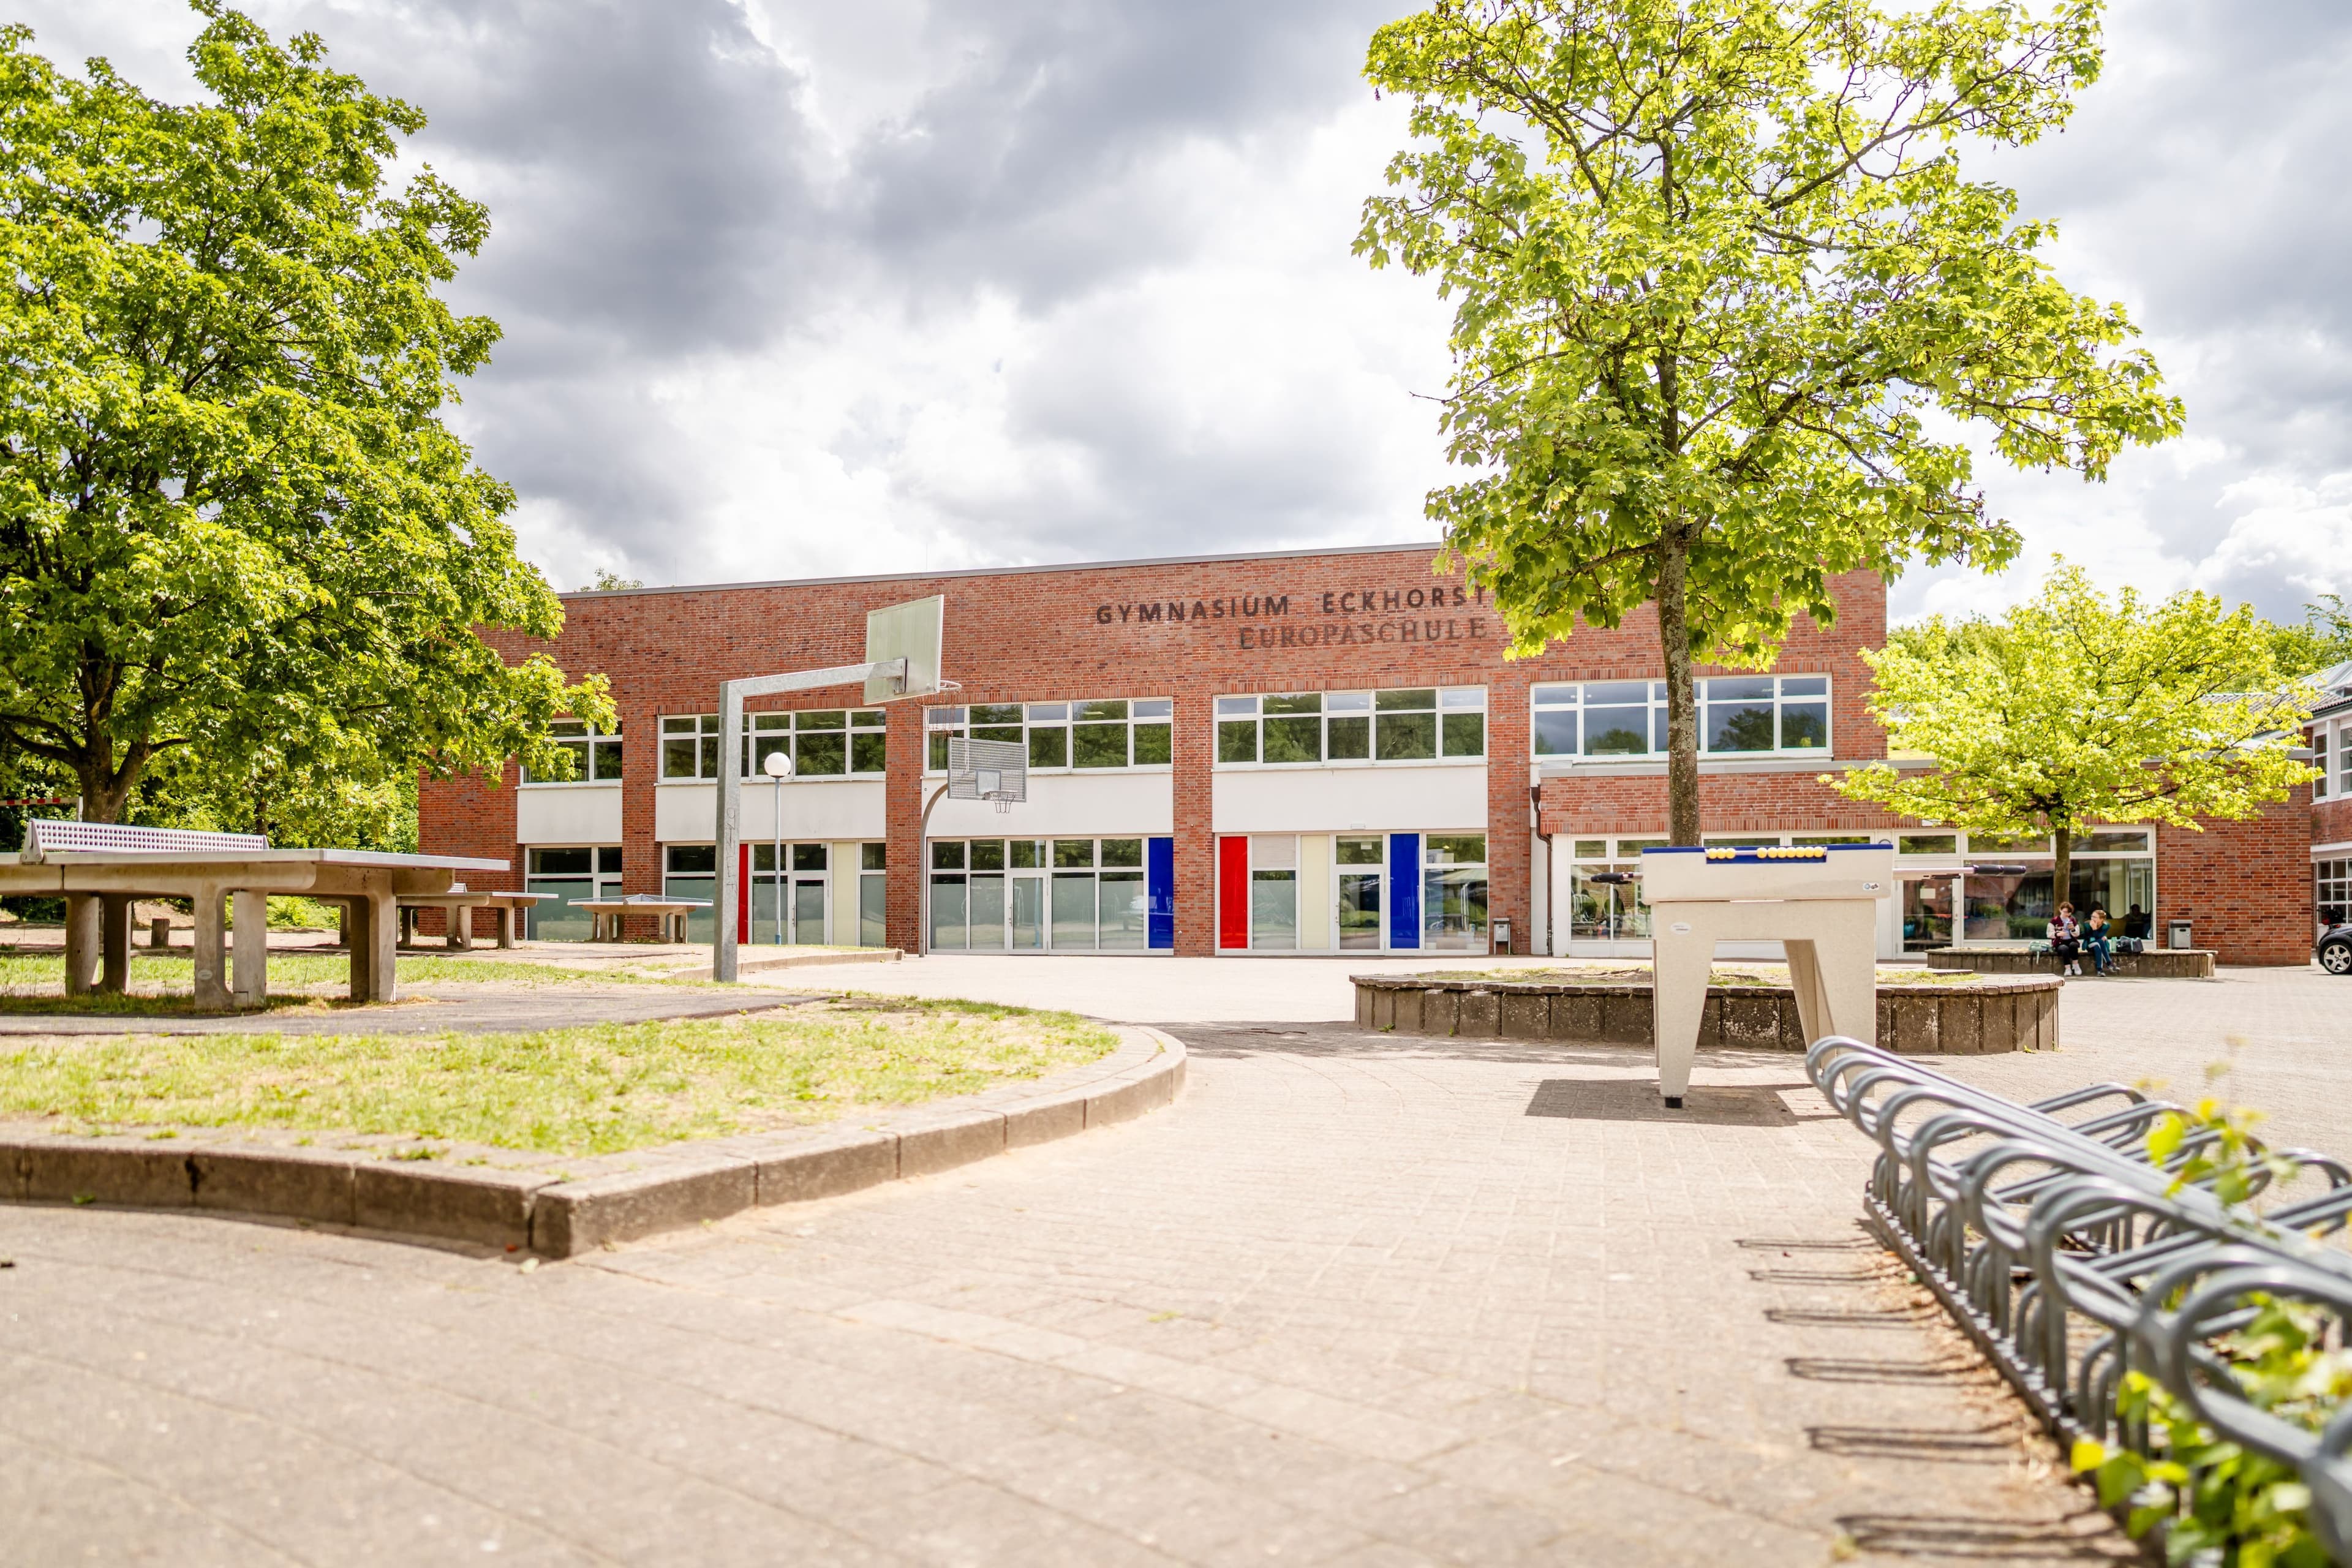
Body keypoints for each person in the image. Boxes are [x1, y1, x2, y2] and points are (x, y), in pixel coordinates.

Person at [2048, 902, 2083, 976]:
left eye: (2068, 913)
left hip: (2071, 941)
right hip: (2060, 943)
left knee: (2074, 945)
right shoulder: (2054, 921)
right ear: (2060, 910)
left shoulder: (2073, 920)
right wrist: (2058, 934)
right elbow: (2049, 933)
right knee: (2064, 949)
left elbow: (2077, 934)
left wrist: (2073, 929)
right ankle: (2068, 968)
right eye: (2065, 912)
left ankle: (2076, 965)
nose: (2066, 914)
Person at [2085, 907, 2115, 976]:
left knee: (2097, 947)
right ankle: (2109, 963)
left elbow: (2098, 937)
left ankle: (2100, 970)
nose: (2092, 919)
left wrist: (2095, 930)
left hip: (2099, 946)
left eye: (2095, 917)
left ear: (2101, 919)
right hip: (2089, 945)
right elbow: (2088, 938)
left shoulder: (2106, 926)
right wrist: (2094, 929)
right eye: (2092, 916)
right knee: (2100, 942)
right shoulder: (2087, 925)